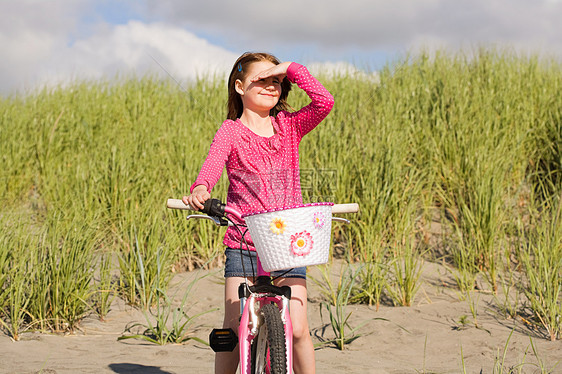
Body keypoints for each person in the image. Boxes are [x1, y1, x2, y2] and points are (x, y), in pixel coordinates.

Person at [183, 51, 334, 374]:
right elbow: (211, 167)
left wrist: (290, 69)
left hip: (289, 245)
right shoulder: (230, 131)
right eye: (260, 80)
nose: (270, 86)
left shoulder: (289, 126)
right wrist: (201, 189)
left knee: (297, 328)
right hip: (243, 242)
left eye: (276, 81)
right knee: (234, 328)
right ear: (239, 86)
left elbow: (325, 102)